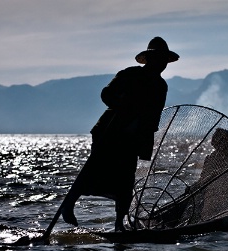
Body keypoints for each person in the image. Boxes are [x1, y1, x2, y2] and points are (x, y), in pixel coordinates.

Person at [58, 37, 179, 231]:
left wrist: (145, 132)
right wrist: (122, 106)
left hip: (131, 139)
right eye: (158, 59)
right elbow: (106, 93)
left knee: (125, 181)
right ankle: (68, 204)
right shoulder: (129, 75)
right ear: (149, 59)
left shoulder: (160, 86)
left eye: (164, 60)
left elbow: (154, 115)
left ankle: (119, 224)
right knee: (93, 170)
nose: (162, 64)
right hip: (109, 132)